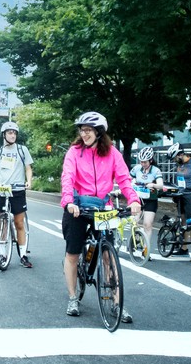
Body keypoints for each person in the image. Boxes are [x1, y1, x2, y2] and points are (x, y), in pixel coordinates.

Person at [60, 112, 141, 322]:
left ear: (99, 132)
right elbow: (67, 177)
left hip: (103, 207)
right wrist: (68, 201)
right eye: (82, 130)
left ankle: (116, 304)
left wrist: (133, 200)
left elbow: (124, 179)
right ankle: (72, 297)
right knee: (73, 254)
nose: (83, 134)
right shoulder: (74, 152)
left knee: (108, 255)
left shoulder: (113, 153)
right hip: (77, 207)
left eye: (88, 130)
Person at [0, 121, 34, 268]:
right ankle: (2, 254)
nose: (12, 135)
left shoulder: (22, 150)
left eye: (14, 133)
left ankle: (23, 255)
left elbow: (28, 168)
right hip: (2, 190)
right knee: (2, 223)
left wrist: (28, 181)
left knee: (18, 223)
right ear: (3, 134)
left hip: (17, 190)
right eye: (10, 132)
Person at [128, 146, 164, 245]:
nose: (143, 164)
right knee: (134, 222)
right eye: (141, 162)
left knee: (147, 224)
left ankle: (146, 248)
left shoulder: (155, 170)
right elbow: (127, 180)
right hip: (137, 199)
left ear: (151, 160)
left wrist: (153, 185)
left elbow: (161, 185)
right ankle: (137, 239)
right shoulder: (137, 169)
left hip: (150, 200)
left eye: (145, 162)